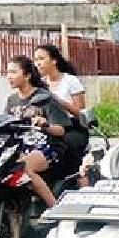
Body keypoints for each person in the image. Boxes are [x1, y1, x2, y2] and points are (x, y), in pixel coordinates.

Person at [1, 55, 73, 208]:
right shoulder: (11, 100)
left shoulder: (45, 97)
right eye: (8, 72)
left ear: (27, 75)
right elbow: (4, 123)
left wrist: (45, 124)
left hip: (47, 147)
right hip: (20, 147)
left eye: (14, 72)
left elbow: (61, 130)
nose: (9, 76)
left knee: (24, 168)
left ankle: (54, 208)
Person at [34, 44, 89, 176]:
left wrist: (57, 101)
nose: (38, 63)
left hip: (72, 126)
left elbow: (80, 113)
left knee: (68, 147)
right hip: (48, 126)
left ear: (54, 60)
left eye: (41, 59)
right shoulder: (40, 84)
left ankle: (77, 179)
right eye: (36, 60)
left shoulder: (70, 81)